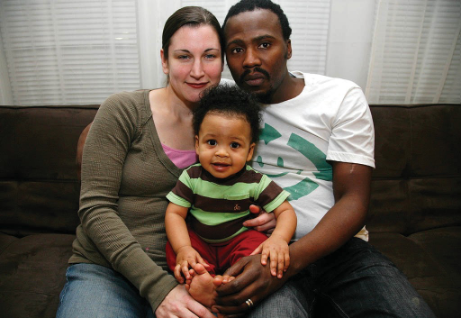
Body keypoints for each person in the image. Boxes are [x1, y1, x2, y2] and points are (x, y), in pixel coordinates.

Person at [211, 0, 437, 317]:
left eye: (264, 44)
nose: (250, 60)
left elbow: (354, 200)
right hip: (260, 250)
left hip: (340, 252)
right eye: (235, 50)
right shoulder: (220, 104)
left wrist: (287, 263)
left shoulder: (339, 97)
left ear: (288, 47)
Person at [56, 6, 274, 318]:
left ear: (222, 62)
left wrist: (267, 215)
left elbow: (251, 187)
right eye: (184, 56)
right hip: (108, 269)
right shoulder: (124, 111)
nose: (197, 71)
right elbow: (94, 209)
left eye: (210, 56)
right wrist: (159, 288)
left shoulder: (232, 125)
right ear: (164, 60)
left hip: (194, 272)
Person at [164, 85, 297, 309]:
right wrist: (184, 249)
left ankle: (237, 282)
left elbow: (285, 211)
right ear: (197, 144)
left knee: (259, 247)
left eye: (234, 145)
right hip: (202, 242)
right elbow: (175, 214)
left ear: (250, 151)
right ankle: (200, 279)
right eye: (212, 142)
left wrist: (279, 239)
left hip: (238, 240)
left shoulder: (255, 181)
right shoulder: (191, 177)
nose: (222, 153)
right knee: (174, 244)